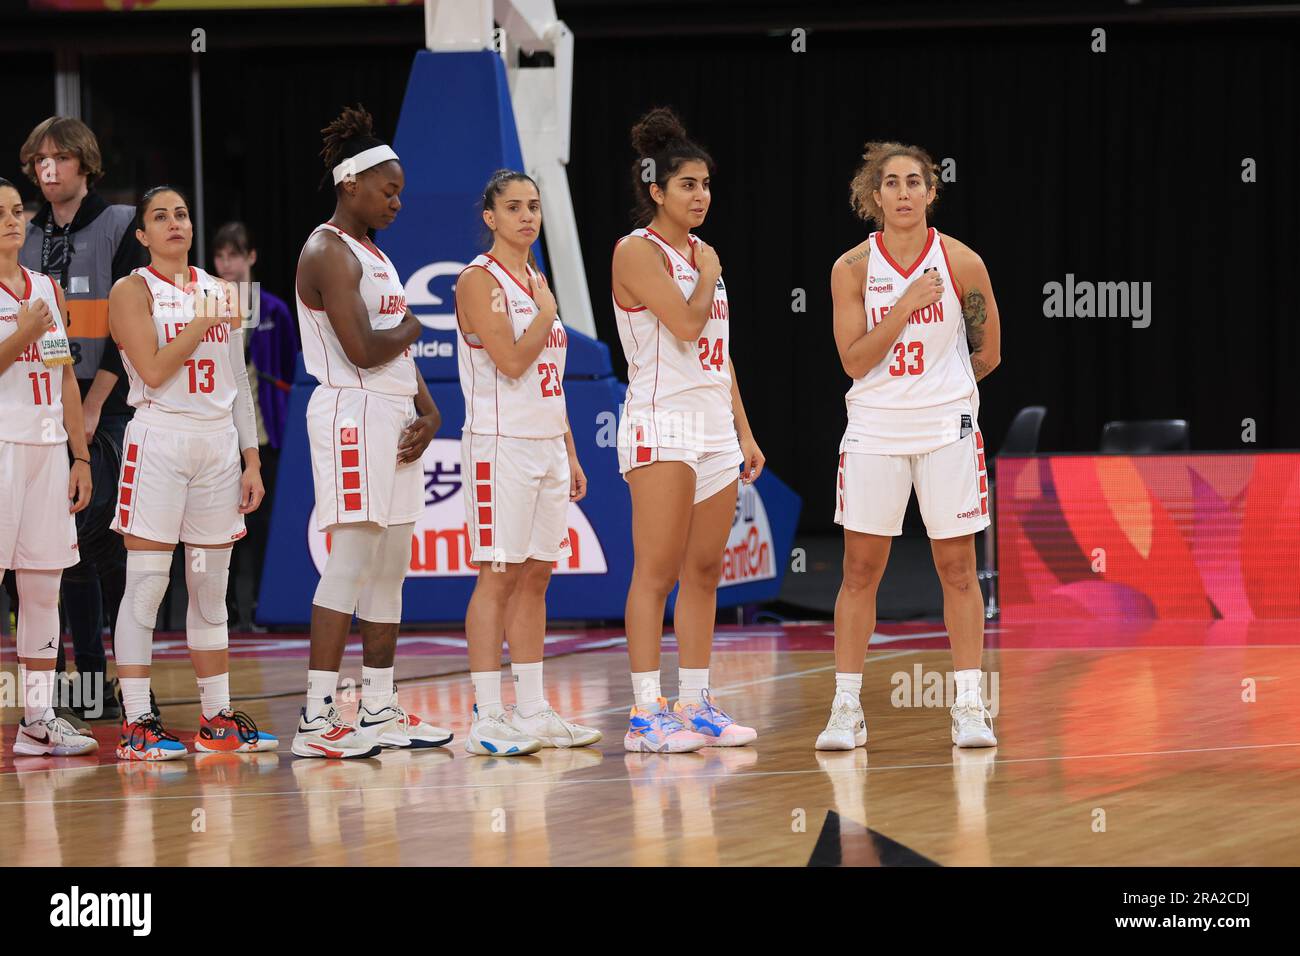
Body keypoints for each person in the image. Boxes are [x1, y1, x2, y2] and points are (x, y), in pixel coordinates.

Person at [819, 141, 1002, 751]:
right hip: (874, 428)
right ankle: (846, 708)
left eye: (913, 182)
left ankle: (970, 705)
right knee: (859, 572)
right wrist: (900, 309)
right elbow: (854, 360)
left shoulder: (961, 262)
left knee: (956, 568)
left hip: (945, 429)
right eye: (891, 183)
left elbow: (989, 350)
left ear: (931, 192)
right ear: (874, 197)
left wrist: (944, 392)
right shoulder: (850, 269)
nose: (903, 193)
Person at [290, 104, 452, 759]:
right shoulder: (327, 249)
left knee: (391, 570)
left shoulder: (373, 255)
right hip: (351, 411)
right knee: (352, 562)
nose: (397, 201)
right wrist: (414, 327)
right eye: (388, 190)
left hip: (393, 413)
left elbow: (398, 351)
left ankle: (379, 708)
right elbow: (363, 348)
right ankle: (315, 718)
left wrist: (430, 409)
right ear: (349, 183)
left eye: (402, 192)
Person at [610, 107, 764, 753]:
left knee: (705, 570)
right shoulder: (635, 251)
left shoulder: (703, 254)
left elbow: (718, 350)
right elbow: (686, 326)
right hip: (659, 423)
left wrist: (745, 431)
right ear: (656, 190)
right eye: (687, 185)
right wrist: (704, 275)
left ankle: (696, 701)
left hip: (712, 428)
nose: (700, 196)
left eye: (706, 184)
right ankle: (647, 714)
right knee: (657, 570)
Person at [107, 184, 276, 760]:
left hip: (216, 449)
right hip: (159, 440)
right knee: (149, 586)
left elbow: (238, 383)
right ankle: (136, 724)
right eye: (161, 216)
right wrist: (199, 325)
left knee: (210, 590)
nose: (175, 223)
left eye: (181, 214)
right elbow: (152, 370)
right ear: (143, 235)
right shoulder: (131, 291)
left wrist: (251, 458)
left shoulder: (222, 291)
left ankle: (215, 721)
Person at [454, 169, 601, 756]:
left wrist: (568, 449)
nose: (526, 216)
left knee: (537, 575)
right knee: (498, 574)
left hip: (545, 444)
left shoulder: (535, 279)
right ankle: (488, 715)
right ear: (489, 217)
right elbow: (512, 361)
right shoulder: (477, 279)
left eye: (534, 206)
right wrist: (545, 313)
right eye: (512, 206)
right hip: (500, 443)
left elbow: (550, 378)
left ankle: (533, 708)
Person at [19, 116, 147, 723]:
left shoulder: (121, 224)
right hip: (44, 411)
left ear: (85, 163)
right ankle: (78, 685)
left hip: (113, 405)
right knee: (59, 550)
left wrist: (93, 408)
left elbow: (129, 328)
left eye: (60, 157)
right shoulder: (23, 234)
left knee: (104, 544)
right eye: (39, 160)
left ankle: (121, 680)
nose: (49, 168)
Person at [0, 175, 97, 756]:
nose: (13, 219)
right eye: (1, 212)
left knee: (43, 586)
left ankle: (37, 719)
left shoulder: (43, 288)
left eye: (17, 210)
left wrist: (79, 452)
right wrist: (22, 334)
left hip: (46, 450)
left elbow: (63, 373)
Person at [211, 221, 300, 629]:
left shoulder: (275, 309)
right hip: (220, 435)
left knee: (263, 526)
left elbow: (288, 371)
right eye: (220, 255)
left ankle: (263, 606)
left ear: (251, 257)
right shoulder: (206, 306)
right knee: (220, 527)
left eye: (234, 254)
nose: (226, 264)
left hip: (267, 434)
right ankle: (224, 609)